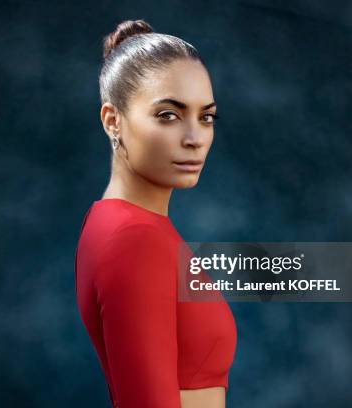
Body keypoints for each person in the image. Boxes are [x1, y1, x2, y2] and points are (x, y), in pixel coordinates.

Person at [75, 19, 237, 408]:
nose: (194, 138)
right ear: (113, 121)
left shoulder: (113, 223)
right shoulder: (134, 240)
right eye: (168, 115)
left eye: (206, 117)